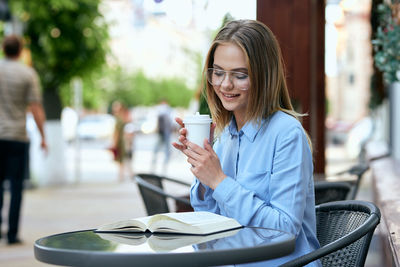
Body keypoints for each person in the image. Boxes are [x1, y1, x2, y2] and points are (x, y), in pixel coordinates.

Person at [172, 20, 321, 266]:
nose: (225, 84)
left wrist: (219, 180)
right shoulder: (226, 136)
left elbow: (283, 230)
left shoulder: (286, 134)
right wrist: (202, 167)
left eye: (240, 75)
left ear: (264, 76)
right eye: (218, 72)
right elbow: (211, 217)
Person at [0, 35, 47, 245]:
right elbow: (35, 107)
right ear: (20, 51)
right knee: (17, 186)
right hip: (18, 136)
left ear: (3, 49)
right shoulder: (28, 74)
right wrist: (44, 137)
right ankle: (12, 234)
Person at [111, 101, 134, 182]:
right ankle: (128, 174)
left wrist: (114, 143)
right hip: (123, 142)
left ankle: (121, 176)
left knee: (122, 159)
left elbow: (117, 133)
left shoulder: (120, 119)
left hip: (121, 142)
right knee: (125, 159)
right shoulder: (123, 118)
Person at [152, 99, 173, 173]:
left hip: (165, 133)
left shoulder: (165, 110)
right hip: (163, 132)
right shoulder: (165, 110)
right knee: (159, 150)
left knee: (163, 151)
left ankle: (161, 168)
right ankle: (157, 168)